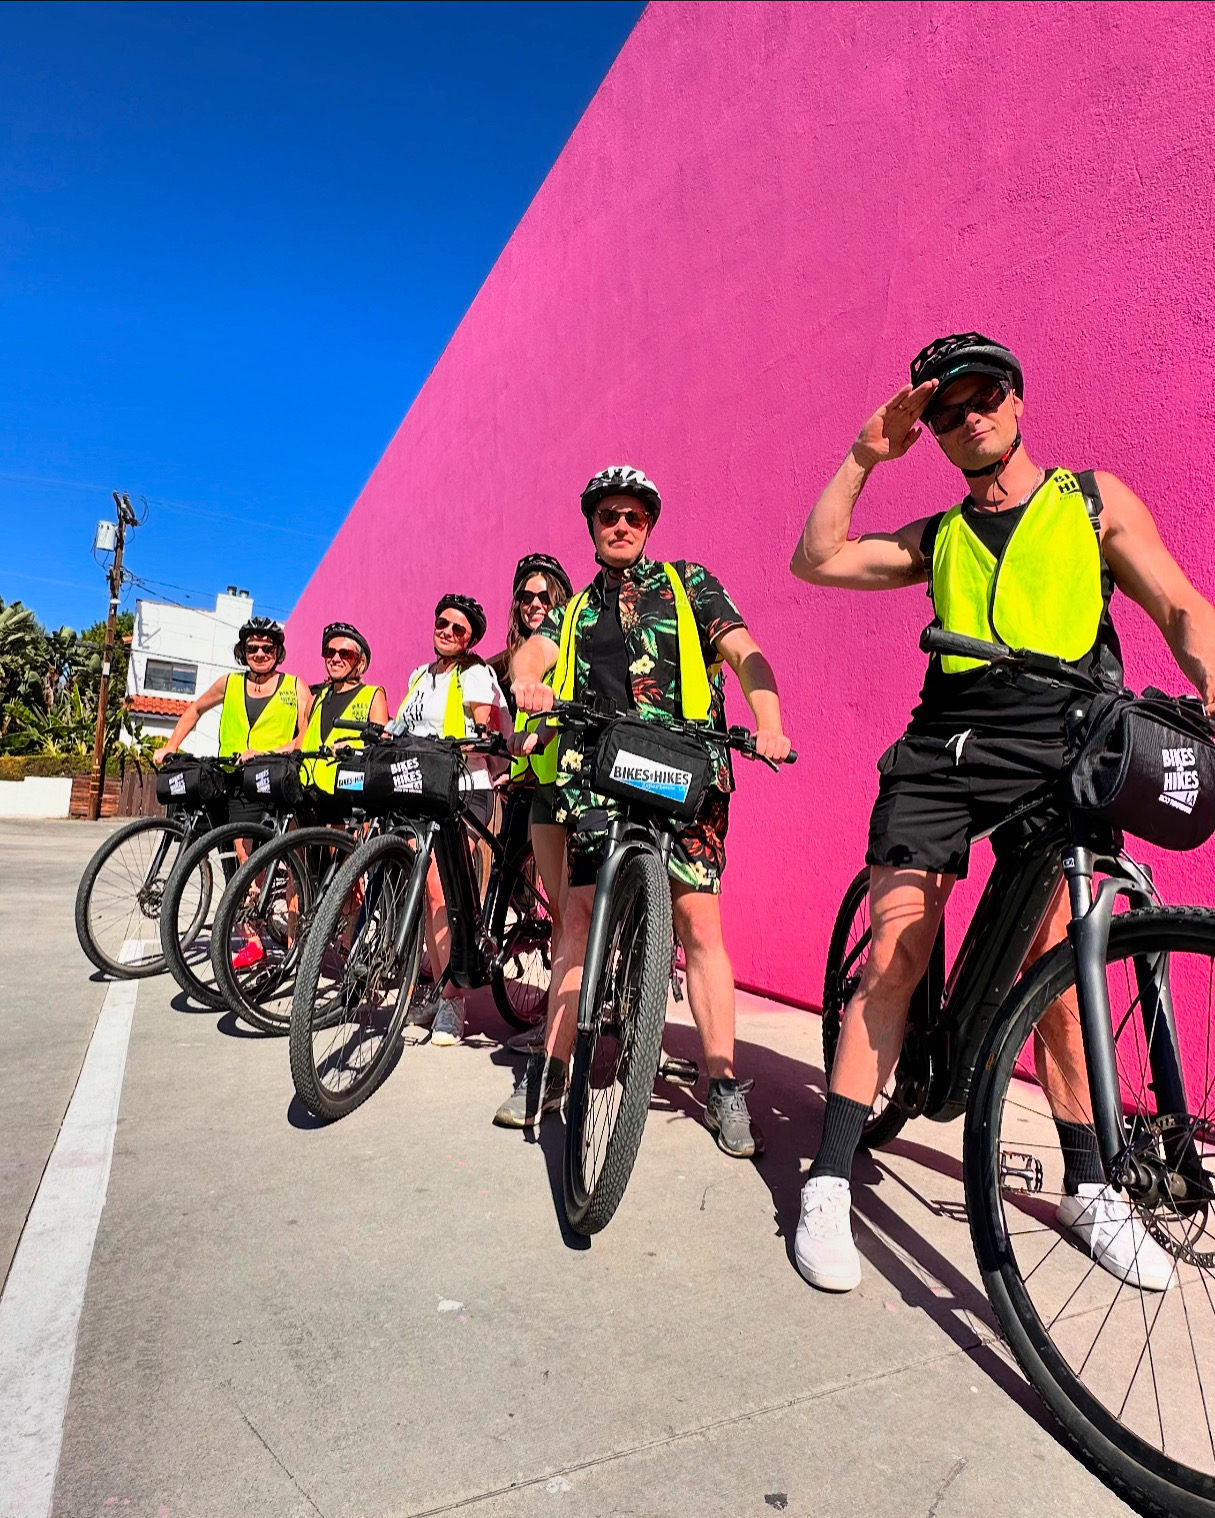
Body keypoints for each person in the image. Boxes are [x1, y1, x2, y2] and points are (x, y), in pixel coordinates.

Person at [789, 332, 1215, 1293]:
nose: (966, 415)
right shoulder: (934, 535)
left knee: (1058, 969)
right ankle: (826, 1177)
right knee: (898, 948)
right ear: (932, 432)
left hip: (1058, 747)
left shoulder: (1091, 502)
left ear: (1018, 401)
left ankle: (1087, 1185)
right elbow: (815, 560)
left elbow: (1184, 610)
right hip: (942, 751)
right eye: (944, 408)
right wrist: (865, 453)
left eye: (982, 394)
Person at [495, 465, 792, 1153]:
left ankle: (721, 1086)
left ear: (648, 525)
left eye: (632, 516)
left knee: (698, 925)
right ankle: (554, 1068)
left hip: (684, 771)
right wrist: (529, 688)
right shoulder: (573, 612)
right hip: (596, 778)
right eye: (608, 517)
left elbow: (744, 652)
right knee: (574, 923)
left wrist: (768, 720)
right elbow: (529, 658)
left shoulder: (688, 585)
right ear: (593, 528)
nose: (620, 525)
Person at [391, 594, 510, 1047]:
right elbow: (403, 727)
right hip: (422, 787)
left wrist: (461, 743)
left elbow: (485, 734)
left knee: (442, 888)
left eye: (458, 629)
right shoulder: (419, 677)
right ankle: (442, 988)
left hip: (465, 789)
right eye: (443, 622)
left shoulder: (476, 674)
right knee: (423, 890)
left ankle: (454, 1002)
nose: (447, 632)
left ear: (471, 639)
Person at [488, 554, 574, 1056]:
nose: (535, 604)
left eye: (545, 596)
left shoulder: (570, 640)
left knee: (569, 907)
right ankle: (554, 1018)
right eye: (527, 596)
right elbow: (511, 731)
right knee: (544, 905)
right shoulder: (512, 661)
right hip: (529, 784)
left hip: (570, 784)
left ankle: (567, 1023)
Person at [154, 616, 310, 775]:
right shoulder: (229, 682)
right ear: (243, 651)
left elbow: (308, 736)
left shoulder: (296, 686)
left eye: (268, 648)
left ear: (278, 651)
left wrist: (267, 755)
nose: (260, 654)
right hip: (228, 778)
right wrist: (171, 746)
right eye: (252, 648)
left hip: (274, 779)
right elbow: (196, 709)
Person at [298, 621, 389, 797]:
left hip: (345, 797)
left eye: (345, 653)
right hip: (306, 793)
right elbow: (297, 746)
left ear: (360, 661)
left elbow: (382, 749)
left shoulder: (373, 695)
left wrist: (352, 750)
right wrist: (262, 754)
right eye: (329, 652)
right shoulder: (314, 700)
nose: (335, 658)